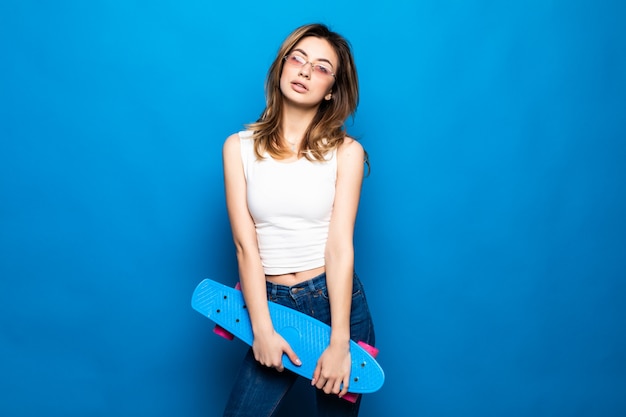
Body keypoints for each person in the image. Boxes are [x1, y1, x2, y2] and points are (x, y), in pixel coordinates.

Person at [221, 23, 375, 417]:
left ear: (332, 91)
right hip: (269, 305)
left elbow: (340, 248)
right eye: (298, 58)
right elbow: (245, 245)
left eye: (321, 68)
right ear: (282, 67)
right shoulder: (237, 148)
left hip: (335, 305)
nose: (306, 71)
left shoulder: (347, 152)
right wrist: (262, 329)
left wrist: (340, 342)